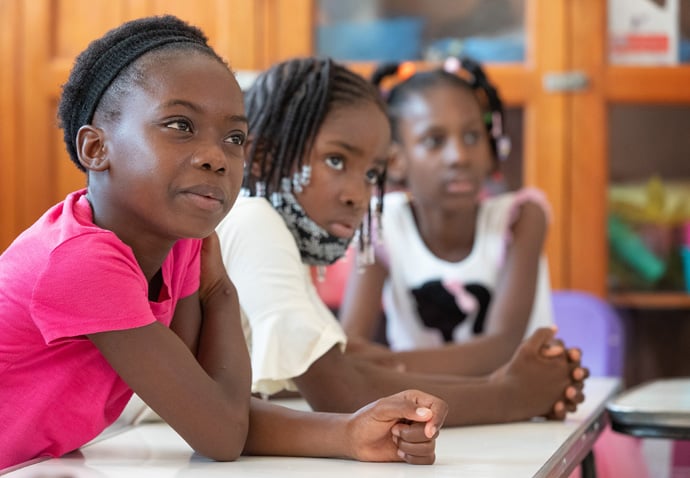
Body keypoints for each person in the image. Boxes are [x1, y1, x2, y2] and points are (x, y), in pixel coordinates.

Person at [0, 16, 449, 470]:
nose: (216, 158)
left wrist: (351, 434)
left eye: (234, 138)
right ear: (96, 149)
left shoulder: (174, 246)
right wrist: (219, 292)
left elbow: (210, 406)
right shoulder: (80, 261)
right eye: (180, 125)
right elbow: (219, 433)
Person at [215, 56, 587, 428]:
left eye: (371, 173)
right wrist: (512, 396)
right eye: (336, 160)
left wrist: (503, 387)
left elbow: (309, 378)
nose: (358, 195)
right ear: (261, 157)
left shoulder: (267, 230)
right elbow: (342, 391)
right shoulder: (255, 223)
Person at [338, 57, 557, 377]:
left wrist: (379, 364)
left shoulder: (522, 218)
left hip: (519, 410)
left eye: (471, 137)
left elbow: (502, 349)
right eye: (434, 141)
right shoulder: (382, 224)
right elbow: (349, 343)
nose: (459, 157)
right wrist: (357, 362)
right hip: (418, 408)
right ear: (395, 161)